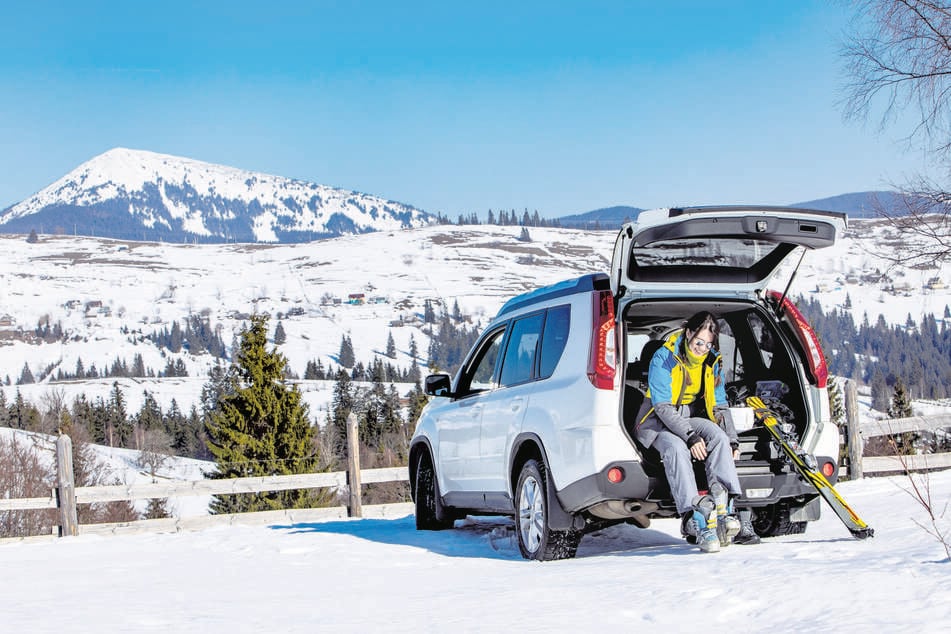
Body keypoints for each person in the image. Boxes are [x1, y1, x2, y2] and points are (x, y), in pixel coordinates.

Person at [634, 311, 759, 552]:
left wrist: (733, 440)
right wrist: (691, 437)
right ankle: (695, 517)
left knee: (720, 438)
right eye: (698, 342)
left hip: (690, 415)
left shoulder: (712, 361)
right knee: (676, 447)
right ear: (688, 333)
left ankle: (725, 509)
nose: (702, 349)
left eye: (708, 344)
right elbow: (661, 406)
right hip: (656, 420)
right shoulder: (664, 357)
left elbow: (720, 404)